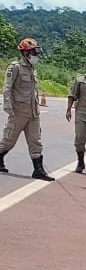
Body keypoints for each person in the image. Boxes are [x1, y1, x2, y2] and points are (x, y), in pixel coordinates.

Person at [0, 37, 53, 180]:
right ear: (25, 53)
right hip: (18, 111)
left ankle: (38, 170)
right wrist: (9, 108)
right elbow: (7, 89)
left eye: (36, 54)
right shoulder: (15, 67)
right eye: (32, 53)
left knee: (36, 141)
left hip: (33, 112)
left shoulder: (32, 69)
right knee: (9, 140)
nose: (35, 56)